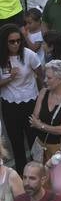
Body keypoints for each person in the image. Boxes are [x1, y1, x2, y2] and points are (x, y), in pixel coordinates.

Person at [0, 22, 42, 174]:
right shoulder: (1, 57)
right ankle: (21, 176)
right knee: (16, 143)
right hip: (9, 105)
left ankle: (38, 173)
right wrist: (9, 79)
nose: (16, 44)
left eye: (19, 40)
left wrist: (42, 95)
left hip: (30, 102)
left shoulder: (29, 54)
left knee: (34, 140)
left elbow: (41, 74)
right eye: (12, 41)